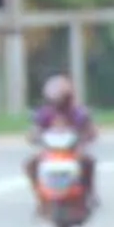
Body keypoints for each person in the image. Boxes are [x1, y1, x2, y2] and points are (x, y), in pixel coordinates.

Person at [27, 73, 97, 205]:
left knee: (88, 162)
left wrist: (87, 137)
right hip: (51, 152)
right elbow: (34, 130)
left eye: (62, 100)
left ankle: (89, 192)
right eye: (55, 101)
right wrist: (34, 137)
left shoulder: (78, 113)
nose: (59, 104)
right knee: (31, 164)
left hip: (72, 151)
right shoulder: (45, 114)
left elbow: (90, 131)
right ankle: (39, 194)